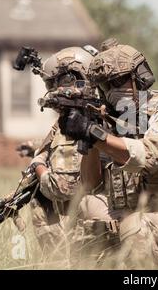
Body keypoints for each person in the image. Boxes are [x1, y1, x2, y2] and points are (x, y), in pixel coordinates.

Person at [58, 39, 158, 269]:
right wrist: (89, 138)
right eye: (105, 85)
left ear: (140, 77)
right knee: (85, 212)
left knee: (136, 225)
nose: (112, 91)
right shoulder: (110, 121)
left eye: (118, 80)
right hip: (130, 224)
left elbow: (147, 155)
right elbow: (90, 183)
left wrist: (95, 134)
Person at [26, 46, 100, 255]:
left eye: (54, 83)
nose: (51, 91)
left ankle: (59, 261)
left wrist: (38, 164)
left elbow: (61, 188)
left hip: (94, 228)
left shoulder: (79, 123)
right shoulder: (100, 113)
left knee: (40, 200)